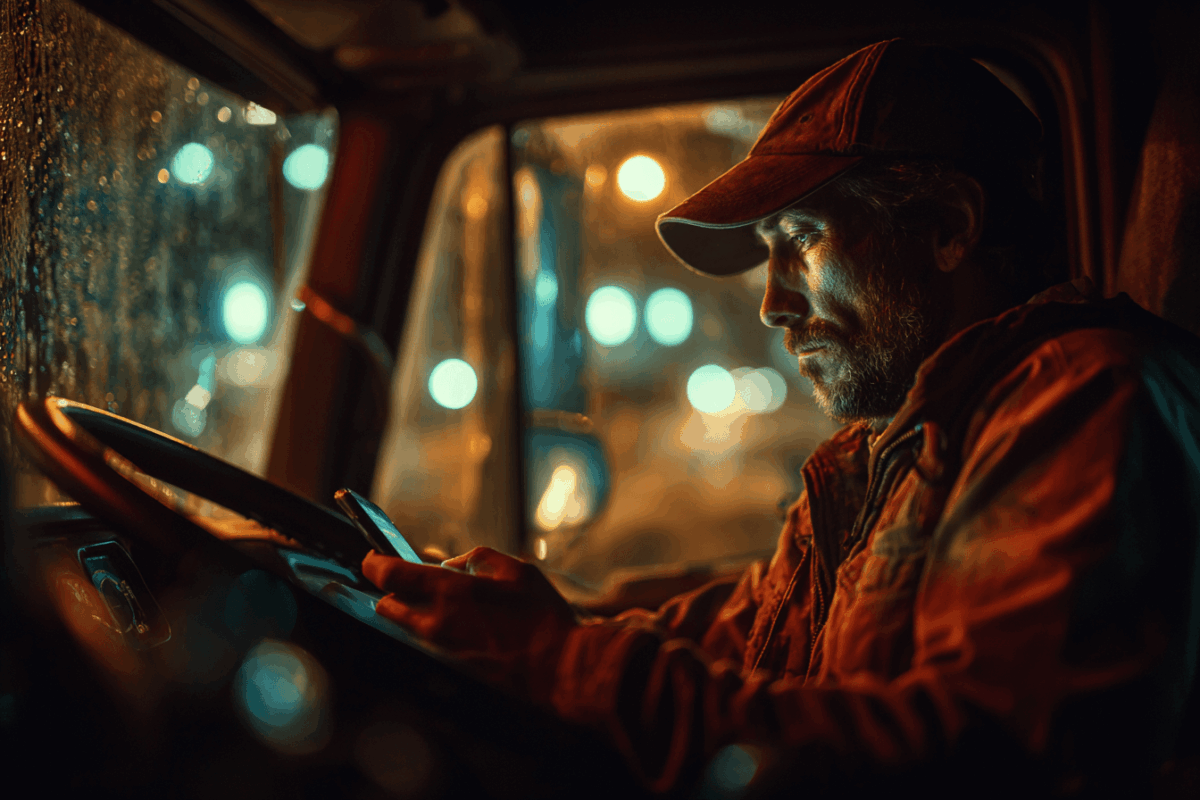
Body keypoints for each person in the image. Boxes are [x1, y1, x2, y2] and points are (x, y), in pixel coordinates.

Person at [363, 40, 1200, 796]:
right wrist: (531, 624)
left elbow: (971, 753)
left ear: (949, 226)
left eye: (801, 239)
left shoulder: (1086, 401)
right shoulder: (888, 450)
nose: (772, 304)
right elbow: (751, 632)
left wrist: (558, 660)